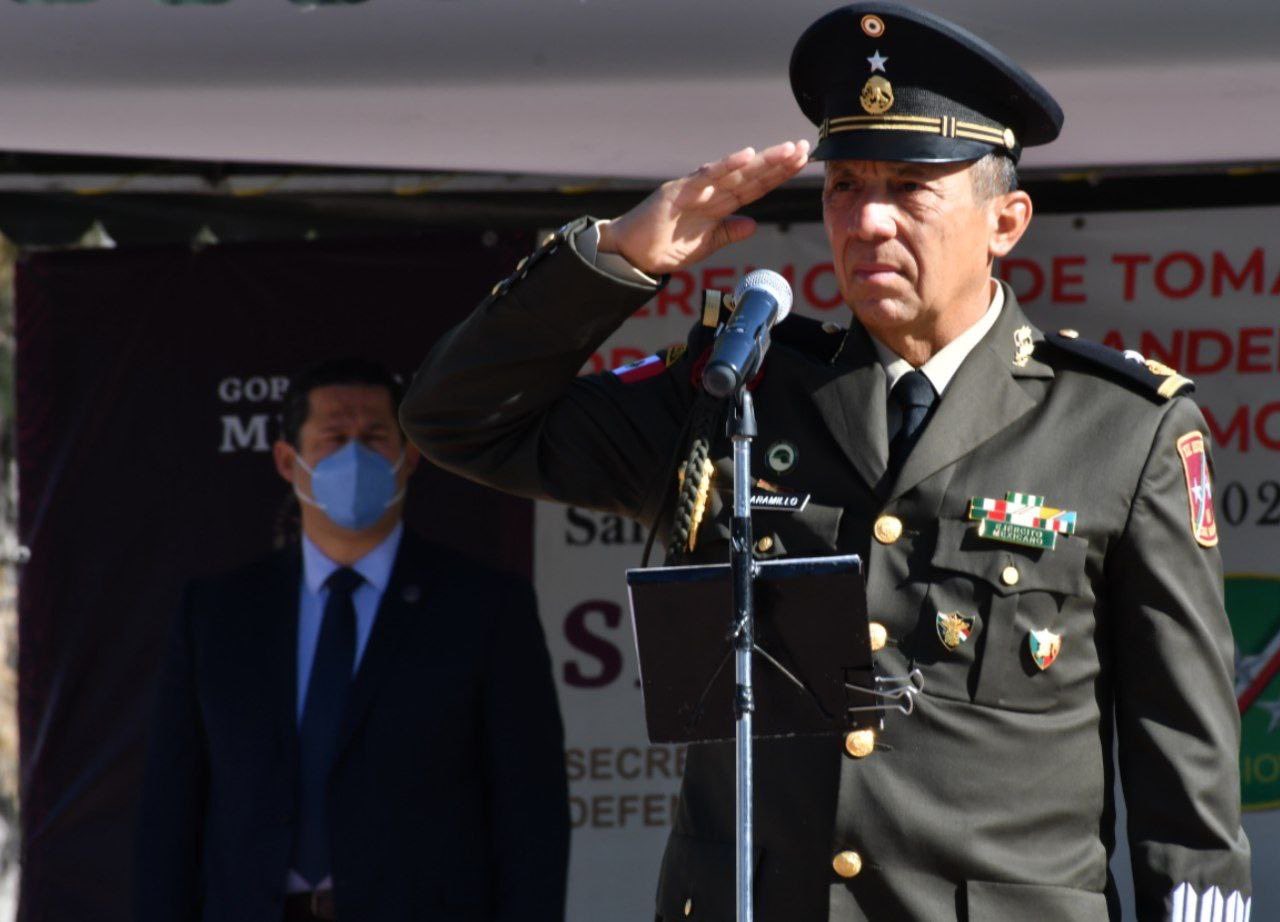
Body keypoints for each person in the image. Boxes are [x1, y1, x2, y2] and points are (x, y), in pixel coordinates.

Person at [399, 4, 1252, 920]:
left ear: (1005, 221)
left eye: (910, 187)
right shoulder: (737, 390)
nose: (868, 219)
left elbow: (1183, 764)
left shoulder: (1122, 428)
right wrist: (618, 257)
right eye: (844, 185)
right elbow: (457, 420)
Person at [135, 358, 570, 922]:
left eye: (374, 437)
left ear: (410, 457)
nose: (355, 457)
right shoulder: (216, 614)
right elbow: (170, 808)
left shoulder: (484, 607)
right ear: (287, 461)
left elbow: (531, 811)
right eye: (334, 438)